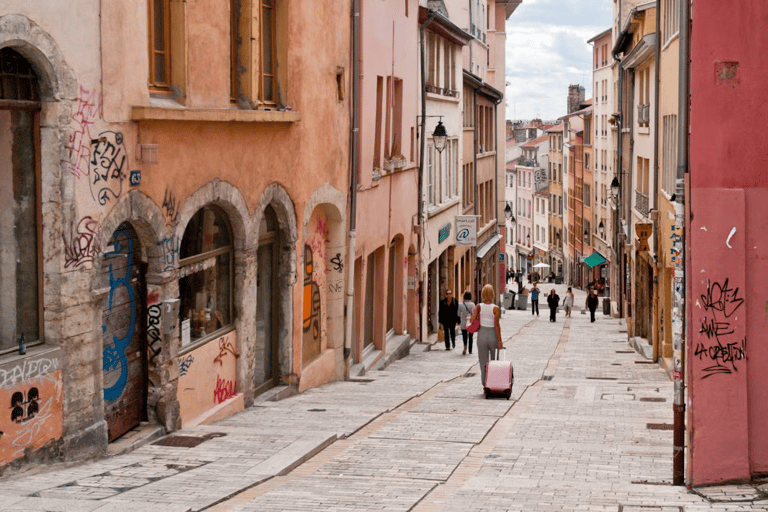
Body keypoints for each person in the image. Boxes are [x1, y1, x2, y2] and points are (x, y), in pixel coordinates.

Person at [468, 284, 504, 386]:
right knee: (493, 362)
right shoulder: (496, 308)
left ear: (483, 294)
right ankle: (493, 383)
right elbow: (497, 325)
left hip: (482, 335)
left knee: (483, 362)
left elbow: (471, 320)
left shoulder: (479, 306)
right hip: (492, 334)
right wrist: (499, 341)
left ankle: (485, 385)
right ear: (492, 294)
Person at [457, 291, 476, 355]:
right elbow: (474, 314)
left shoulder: (460, 304)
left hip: (464, 322)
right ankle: (470, 350)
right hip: (470, 322)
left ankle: (465, 346)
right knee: (471, 336)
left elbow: (458, 314)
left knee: (464, 336)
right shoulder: (472, 305)